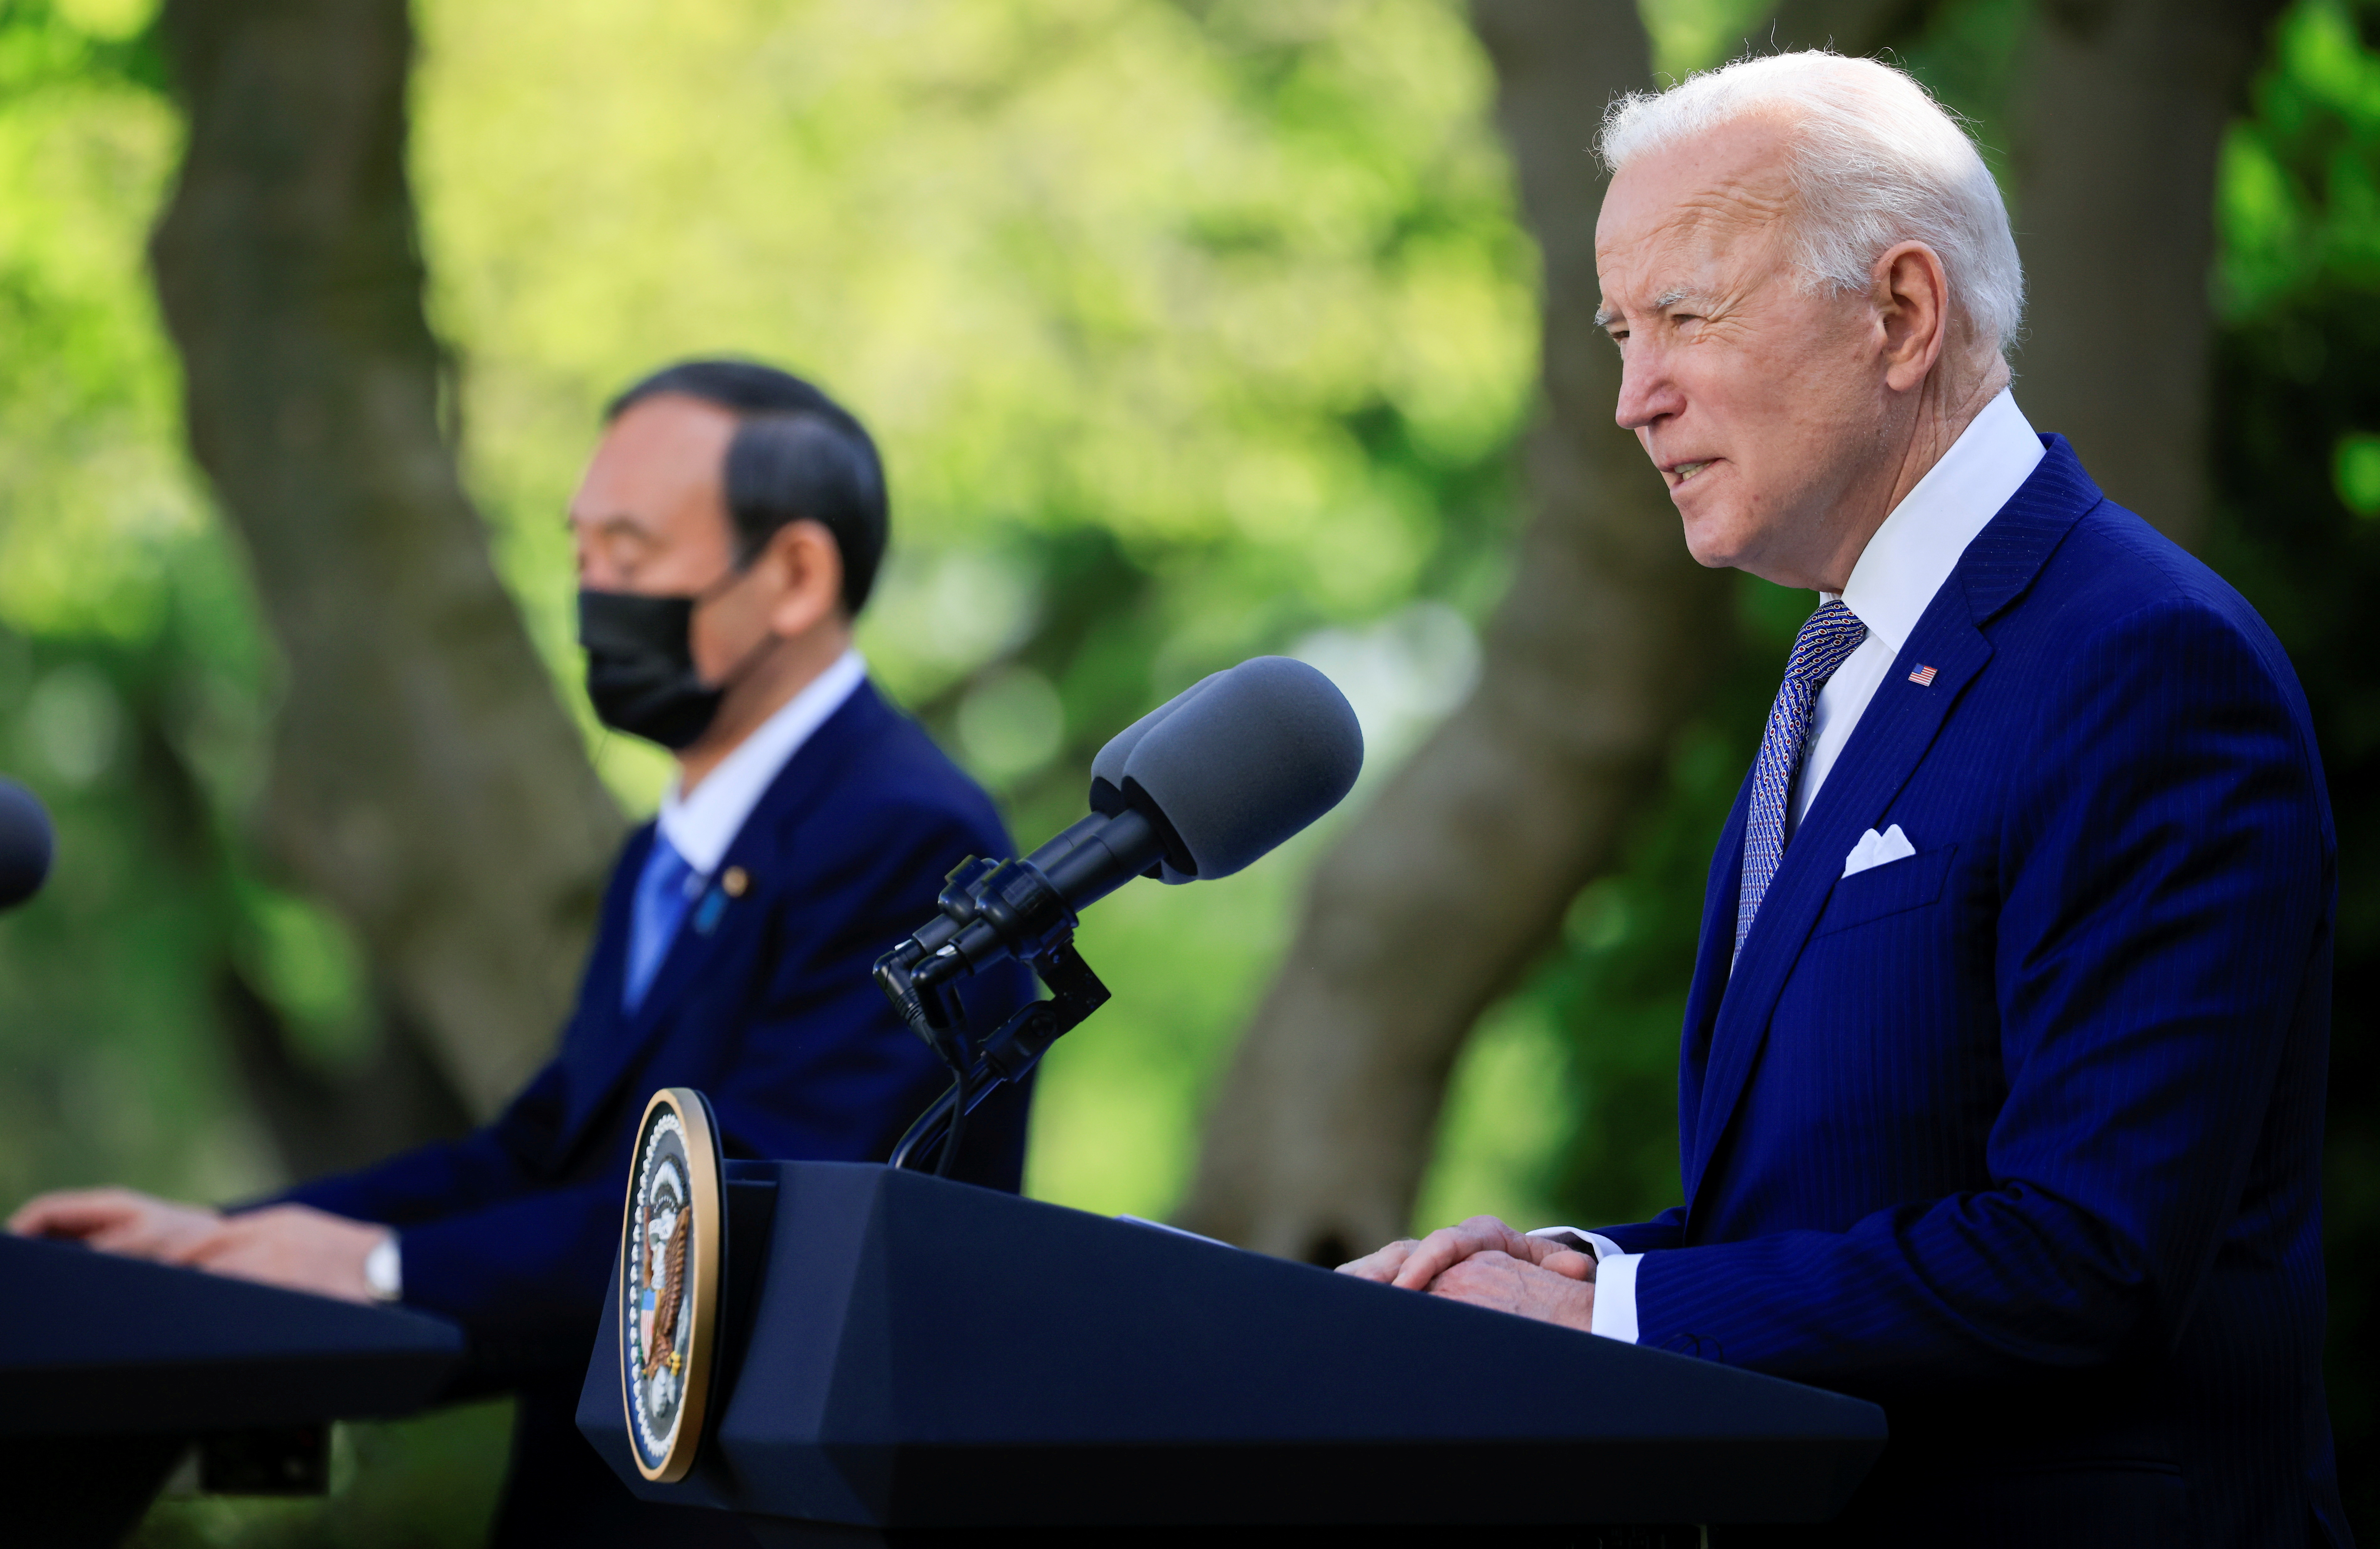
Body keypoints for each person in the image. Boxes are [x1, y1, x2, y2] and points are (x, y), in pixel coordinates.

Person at [1337, 53, 2349, 1548]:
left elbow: (2088, 1254)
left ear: (1901, 315)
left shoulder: (2143, 660)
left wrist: (1615, 1306)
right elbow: (1819, 1227)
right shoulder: (1837, 665)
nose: (1632, 397)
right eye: (1621, 333)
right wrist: (1557, 1279)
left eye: (1684, 315)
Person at [11, 360, 1033, 1544]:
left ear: (796, 573)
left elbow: (751, 1221)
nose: (593, 591)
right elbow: (547, 1151)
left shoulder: (908, 835)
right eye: (582, 550)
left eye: (633, 554)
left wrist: (388, 1270)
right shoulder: (674, 845)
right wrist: (211, 1245)